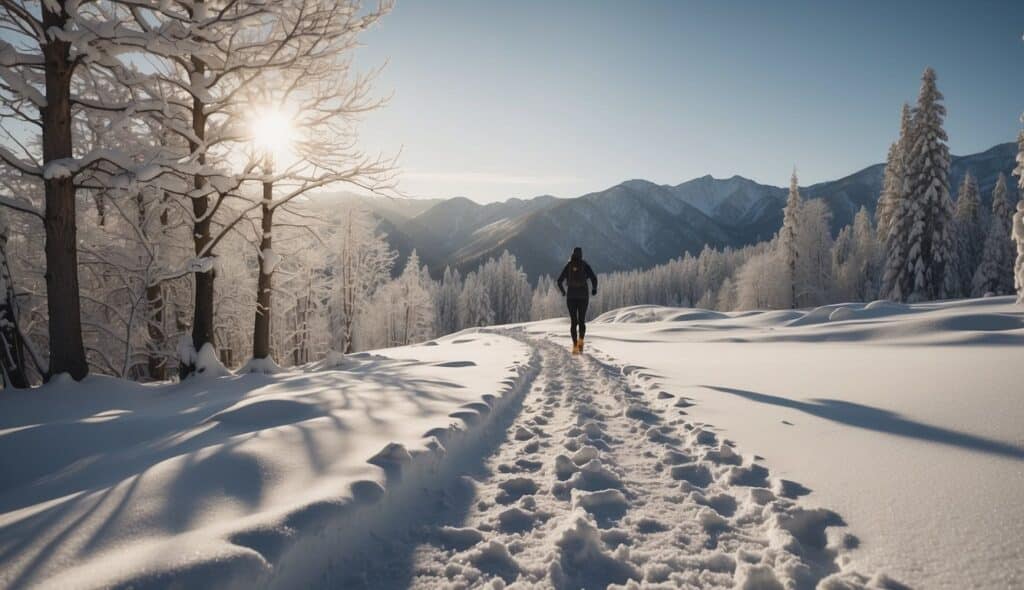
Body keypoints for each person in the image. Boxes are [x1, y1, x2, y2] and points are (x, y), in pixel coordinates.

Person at [557, 246, 597, 354]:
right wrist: (594, 289)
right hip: (583, 296)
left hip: (571, 297)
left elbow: (559, 281)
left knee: (573, 322)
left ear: (573, 254)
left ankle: (575, 347)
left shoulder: (569, 265)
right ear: (581, 254)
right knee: (582, 321)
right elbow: (594, 278)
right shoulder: (585, 265)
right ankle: (581, 344)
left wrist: (563, 291)